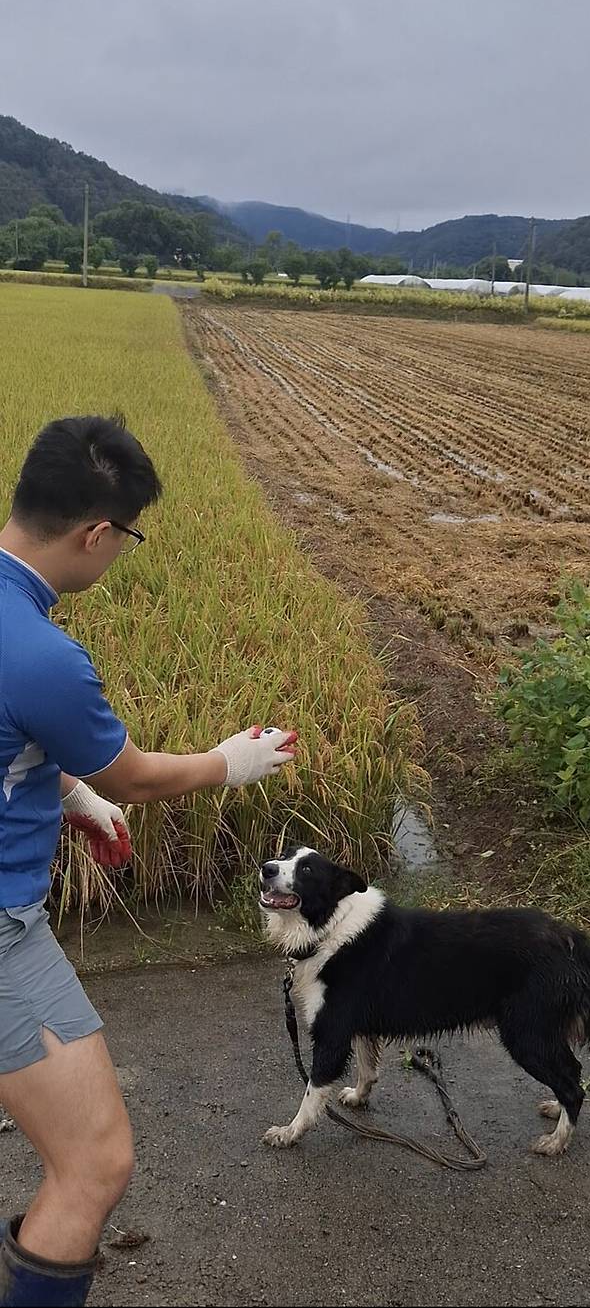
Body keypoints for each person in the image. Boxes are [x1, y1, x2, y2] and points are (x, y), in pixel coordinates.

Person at [0, 415, 296, 1307]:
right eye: (127, 537)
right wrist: (227, 761)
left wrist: (55, 790)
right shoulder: (43, 653)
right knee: (94, 1161)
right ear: (97, 532)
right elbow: (129, 774)